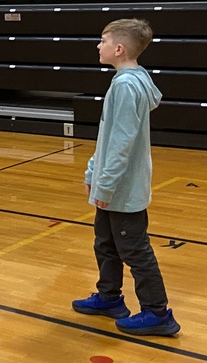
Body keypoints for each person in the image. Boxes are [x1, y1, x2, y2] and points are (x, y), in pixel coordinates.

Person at [71, 18, 180, 336]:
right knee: (105, 243)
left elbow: (121, 143)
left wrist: (105, 185)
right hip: (112, 185)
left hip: (122, 189)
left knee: (135, 250)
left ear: (119, 49)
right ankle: (109, 298)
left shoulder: (126, 86)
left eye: (103, 40)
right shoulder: (131, 79)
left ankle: (158, 313)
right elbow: (107, 137)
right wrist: (93, 171)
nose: (98, 45)